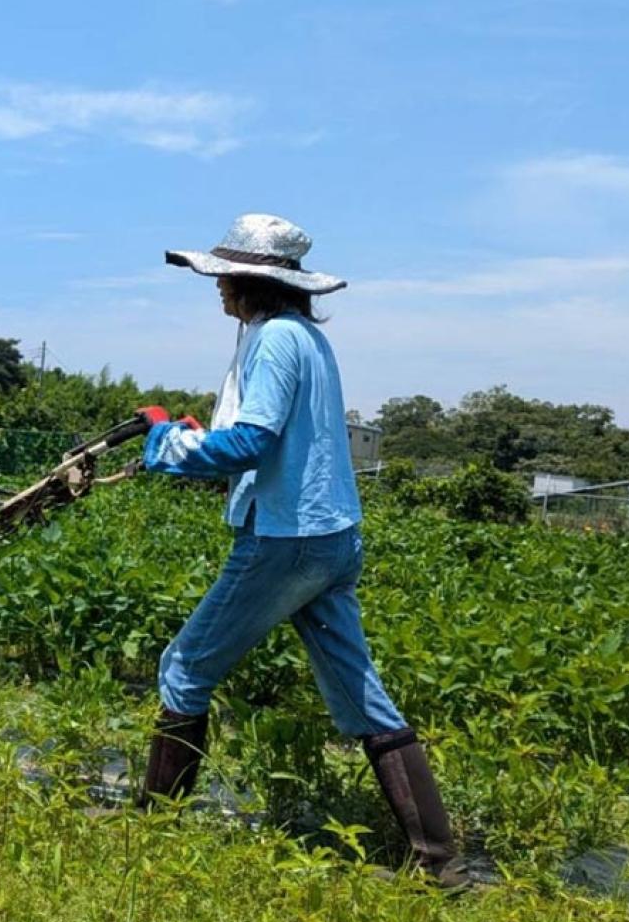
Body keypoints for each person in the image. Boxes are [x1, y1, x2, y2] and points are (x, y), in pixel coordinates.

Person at [135, 213, 466, 888]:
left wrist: (166, 442)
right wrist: (203, 434)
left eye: (224, 276)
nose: (217, 287)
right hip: (332, 537)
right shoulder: (306, 339)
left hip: (285, 538)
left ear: (252, 281)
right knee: (360, 696)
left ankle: (152, 830)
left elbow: (251, 441)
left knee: (185, 668)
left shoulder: (275, 339)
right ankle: (440, 864)